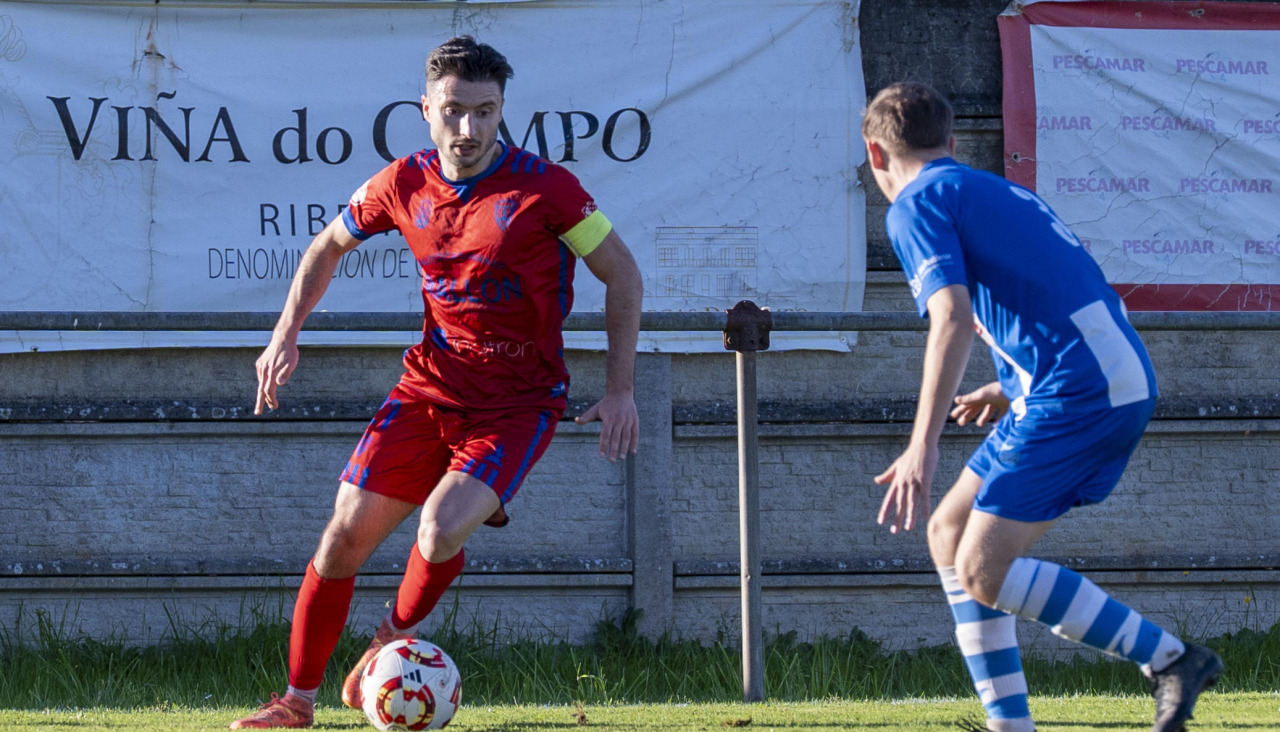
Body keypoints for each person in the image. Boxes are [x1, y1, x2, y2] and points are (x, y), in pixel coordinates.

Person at [230, 36, 643, 729]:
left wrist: (621, 388)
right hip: (427, 391)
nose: (469, 128)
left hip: (516, 404)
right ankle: (295, 703)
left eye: (485, 111)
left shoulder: (548, 189)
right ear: (425, 109)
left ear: (502, 110)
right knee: (340, 539)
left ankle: (388, 642)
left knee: (441, 528)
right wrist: (285, 333)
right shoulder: (402, 182)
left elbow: (622, 273)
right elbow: (327, 245)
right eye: (454, 111)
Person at [864, 82, 1222, 732]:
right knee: (948, 533)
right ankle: (1009, 724)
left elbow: (951, 318)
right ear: (952, 142)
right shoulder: (1000, 191)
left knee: (982, 569)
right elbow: (1060, 294)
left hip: (1078, 389)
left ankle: (1171, 659)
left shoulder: (914, 205)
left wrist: (922, 445)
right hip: (1090, 375)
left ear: (875, 154)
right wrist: (1009, 385)